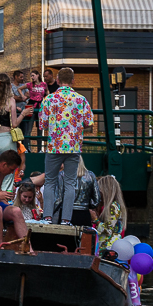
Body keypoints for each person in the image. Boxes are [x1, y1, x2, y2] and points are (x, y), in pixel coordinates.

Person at [39, 66, 95, 225]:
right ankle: (65, 219)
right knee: (70, 184)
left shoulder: (49, 99)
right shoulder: (81, 99)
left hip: (54, 146)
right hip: (74, 146)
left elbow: (42, 124)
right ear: (73, 80)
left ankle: (48, 217)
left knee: (50, 181)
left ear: (57, 81)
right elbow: (89, 123)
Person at [0, 74, 32, 163]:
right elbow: (14, 124)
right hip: (7, 139)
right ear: (8, 86)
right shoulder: (10, 100)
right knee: (7, 171)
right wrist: (23, 113)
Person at [94, 174, 127, 250]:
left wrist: (95, 219)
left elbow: (108, 229)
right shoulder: (116, 206)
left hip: (108, 247)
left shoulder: (112, 207)